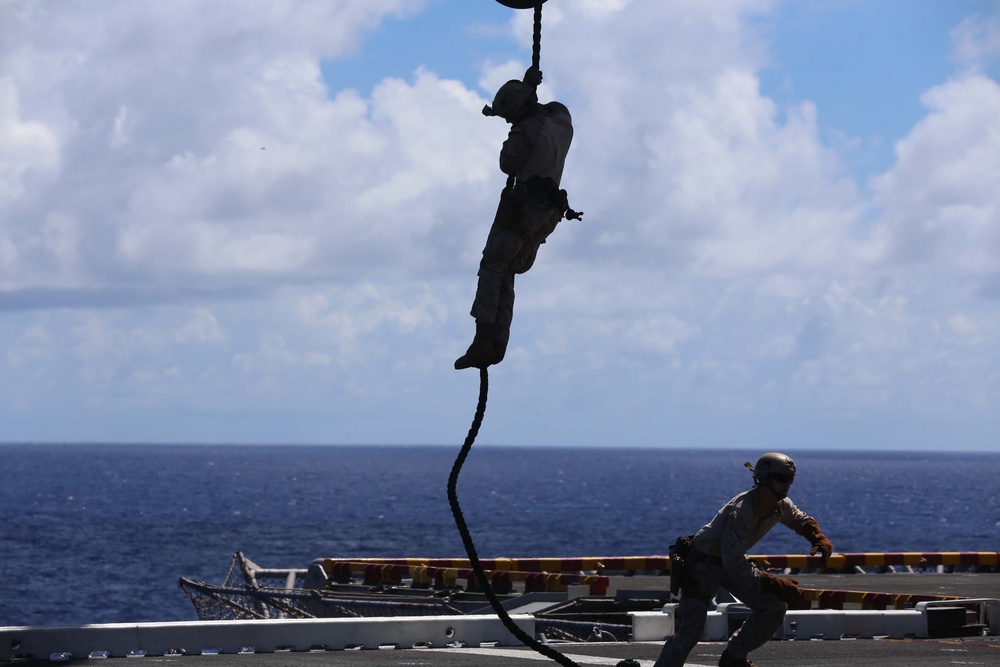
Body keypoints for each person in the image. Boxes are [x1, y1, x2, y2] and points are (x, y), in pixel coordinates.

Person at [654, 453, 833, 667]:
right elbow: (733, 562)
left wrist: (817, 537)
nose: (787, 484)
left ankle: (734, 658)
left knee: (773, 607)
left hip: (731, 561)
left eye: (790, 479)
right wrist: (770, 581)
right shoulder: (740, 512)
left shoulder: (780, 504)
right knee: (691, 630)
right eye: (782, 478)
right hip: (702, 566)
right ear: (764, 478)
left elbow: (799, 519)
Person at [454, 68, 576, 370]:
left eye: (508, 115)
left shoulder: (526, 131)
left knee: (493, 267)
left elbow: (507, 164)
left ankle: (484, 340)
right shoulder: (561, 121)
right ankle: (497, 343)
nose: (507, 121)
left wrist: (520, 122)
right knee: (507, 270)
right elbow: (552, 107)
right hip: (547, 214)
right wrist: (528, 89)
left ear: (519, 110)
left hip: (523, 210)